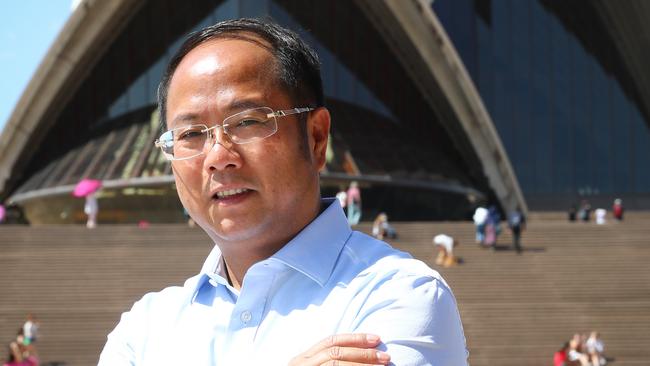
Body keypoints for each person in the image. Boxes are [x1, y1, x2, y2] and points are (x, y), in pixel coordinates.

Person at [98, 18, 468, 365]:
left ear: (316, 137)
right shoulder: (144, 329)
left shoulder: (398, 296)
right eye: (191, 134)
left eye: (247, 122)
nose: (217, 157)